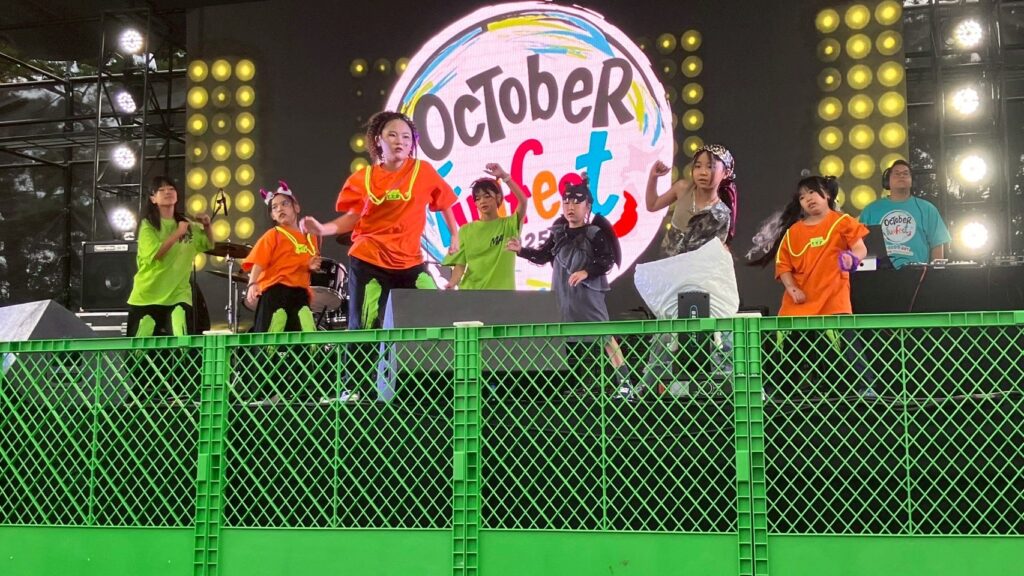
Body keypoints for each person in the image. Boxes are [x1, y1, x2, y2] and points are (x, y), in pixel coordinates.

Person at [303, 110, 459, 329]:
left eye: (406, 137)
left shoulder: (423, 171)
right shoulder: (364, 178)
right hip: (370, 259)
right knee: (366, 325)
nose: (400, 141)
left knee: (433, 314)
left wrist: (454, 234)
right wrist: (321, 229)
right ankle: (363, 353)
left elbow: (444, 202)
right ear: (378, 140)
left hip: (410, 262)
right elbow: (352, 218)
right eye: (392, 135)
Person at [507, 176, 633, 399]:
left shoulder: (594, 232)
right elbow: (543, 255)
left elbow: (606, 260)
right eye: (566, 202)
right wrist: (521, 250)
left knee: (605, 337)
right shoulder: (558, 232)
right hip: (563, 295)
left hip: (588, 296)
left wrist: (586, 272)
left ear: (587, 206)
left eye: (576, 202)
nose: (570, 207)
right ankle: (567, 387)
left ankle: (625, 384)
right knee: (564, 339)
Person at [749, 175, 874, 398]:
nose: (808, 199)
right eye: (802, 197)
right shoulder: (793, 232)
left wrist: (852, 258)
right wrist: (792, 288)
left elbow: (860, 248)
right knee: (788, 351)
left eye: (812, 192)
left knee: (848, 345)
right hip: (799, 304)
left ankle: (865, 388)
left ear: (827, 195)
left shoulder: (842, 221)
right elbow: (783, 266)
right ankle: (775, 393)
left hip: (832, 299)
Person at [127, 176, 213, 337]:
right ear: (153, 198)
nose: (168, 192)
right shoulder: (148, 225)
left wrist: (207, 226)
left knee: (182, 341)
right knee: (140, 346)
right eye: (161, 190)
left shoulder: (186, 224)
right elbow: (155, 254)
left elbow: (208, 244)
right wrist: (177, 233)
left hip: (179, 294)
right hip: (148, 295)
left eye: (171, 189)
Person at [242, 181, 321, 333]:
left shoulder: (311, 237)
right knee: (272, 334)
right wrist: (252, 284)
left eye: (284, 204)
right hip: (276, 291)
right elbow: (259, 260)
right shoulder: (274, 234)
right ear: (273, 215)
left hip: (300, 293)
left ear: (296, 207)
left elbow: (311, 262)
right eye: (275, 207)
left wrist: (312, 266)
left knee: (302, 334)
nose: (280, 209)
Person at [443, 163, 527, 290]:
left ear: (498, 197)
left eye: (487, 196)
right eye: (478, 198)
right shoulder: (466, 230)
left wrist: (504, 176)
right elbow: (460, 265)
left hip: (502, 296)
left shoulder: (509, 225)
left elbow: (523, 201)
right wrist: (452, 284)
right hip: (471, 294)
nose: (482, 201)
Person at [645, 144, 738, 256]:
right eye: (698, 166)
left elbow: (715, 254)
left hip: (694, 265)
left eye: (710, 167)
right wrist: (653, 177)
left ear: (726, 173)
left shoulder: (721, 214)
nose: (702, 172)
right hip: (665, 261)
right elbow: (652, 205)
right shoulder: (682, 189)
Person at [858, 159, 951, 268]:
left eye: (905, 173)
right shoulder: (871, 210)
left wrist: (937, 273)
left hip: (917, 274)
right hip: (879, 274)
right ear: (887, 181)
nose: (901, 176)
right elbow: (859, 244)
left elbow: (937, 244)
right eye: (897, 173)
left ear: (912, 181)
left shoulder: (928, 209)